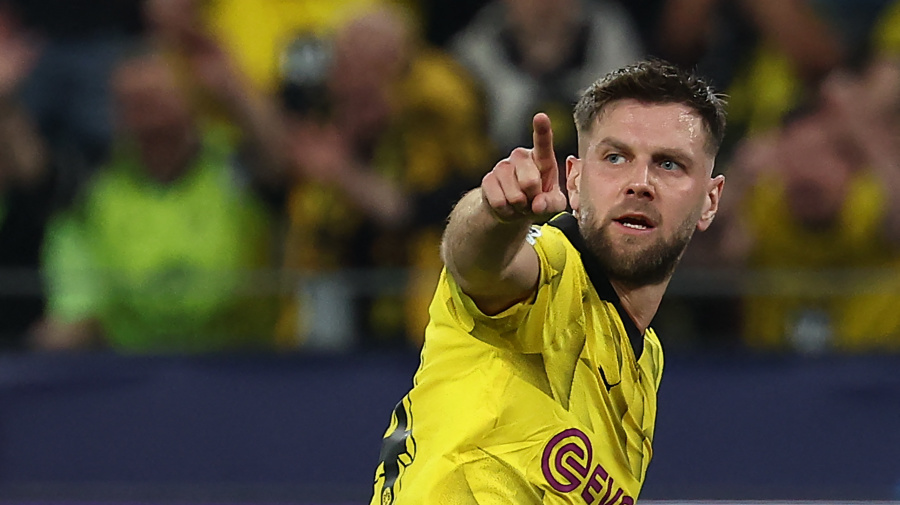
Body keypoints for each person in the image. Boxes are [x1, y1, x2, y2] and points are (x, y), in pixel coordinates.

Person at [369, 60, 727, 503]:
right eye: (615, 158)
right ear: (574, 181)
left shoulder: (645, 362)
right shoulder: (551, 266)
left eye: (669, 164)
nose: (640, 183)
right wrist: (494, 212)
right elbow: (478, 265)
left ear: (710, 201)